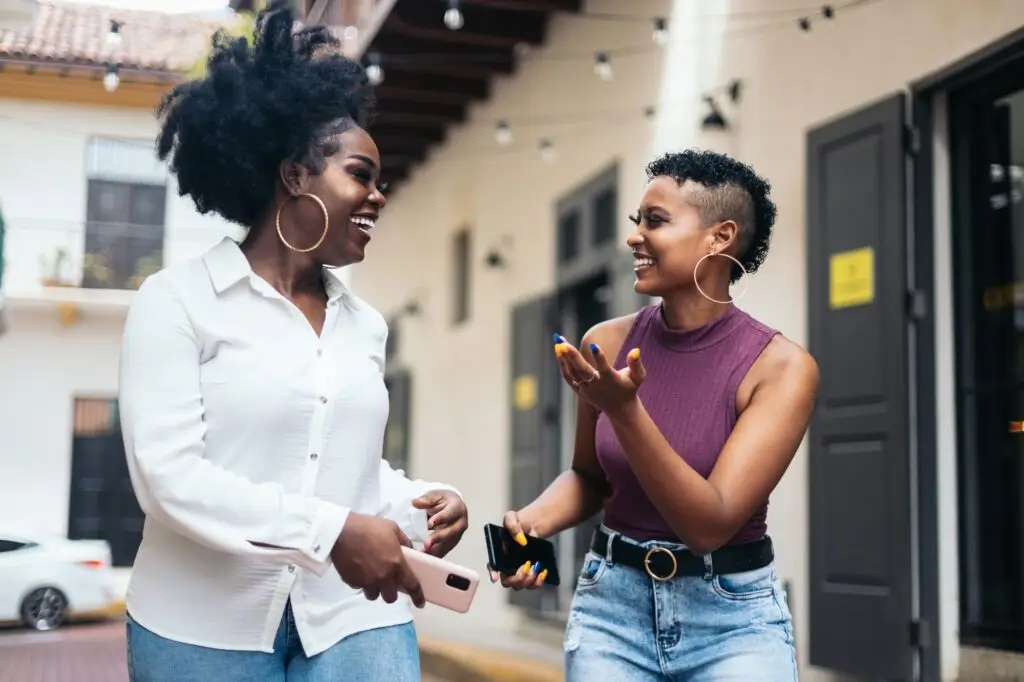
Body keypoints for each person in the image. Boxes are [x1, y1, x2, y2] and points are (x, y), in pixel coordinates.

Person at [117, 2, 468, 680]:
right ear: (295, 176)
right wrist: (332, 531)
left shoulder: (365, 324)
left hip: (353, 618)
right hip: (200, 627)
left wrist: (418, 501)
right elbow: (169, 480)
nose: (378, 197)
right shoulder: (177, 302)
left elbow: (338, 462)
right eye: (360, 175)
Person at [494, 149, 818, 681]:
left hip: (732, 620)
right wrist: (529, 525)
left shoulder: (781, 369)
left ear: (720, 237)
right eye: (636, 220)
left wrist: (626, 412)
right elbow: (588, 478)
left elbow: (709, 524)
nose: (634, 237)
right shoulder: (606, 342)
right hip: (611, 611)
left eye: (656, 221)